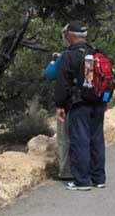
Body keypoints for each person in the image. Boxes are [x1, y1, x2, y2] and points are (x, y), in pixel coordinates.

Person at [54, 21, 106, 191]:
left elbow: (62, 83)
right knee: (97, 140)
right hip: (98, 103)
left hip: (80, 104)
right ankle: (98, 178)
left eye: (66, 35)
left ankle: (82, 181)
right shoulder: (95, 52)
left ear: (71, 36)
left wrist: (60, 105)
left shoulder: (69, 56)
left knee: (80, 141)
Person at [45, 28, 72, 180]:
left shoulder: (64, 57)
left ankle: (66, 171)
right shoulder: (87, 52)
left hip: (64, 105)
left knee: (63, 137)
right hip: (83, 104)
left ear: (68, 37)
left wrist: (53, 62)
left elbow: (50, 74)